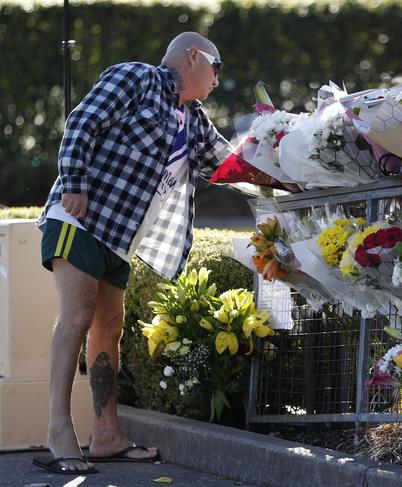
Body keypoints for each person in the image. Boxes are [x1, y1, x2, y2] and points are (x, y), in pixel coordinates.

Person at [33, 32, 228, 475]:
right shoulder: (135, 77)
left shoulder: (193, 118)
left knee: (109, 327)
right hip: (78, 219)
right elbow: (82, 123)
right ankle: (59, 430)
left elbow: (230, 165)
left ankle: (106, 437)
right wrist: (75, 184)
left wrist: (296, 171)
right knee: (79, 314)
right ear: (194, 57)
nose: (217, 79)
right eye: (216, 68)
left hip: (120, 238)